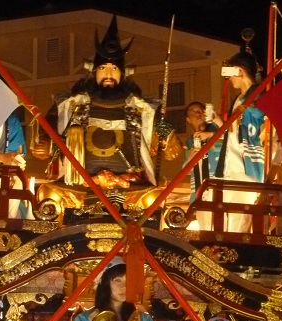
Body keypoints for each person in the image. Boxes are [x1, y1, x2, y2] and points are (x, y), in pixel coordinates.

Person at [34, 15, 181, 192]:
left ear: (123, 73)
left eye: (114, 69)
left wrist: (165, 132)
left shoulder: (143, 109)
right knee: (48, 193)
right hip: (79, 186)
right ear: (94, 71)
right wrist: (46, 145)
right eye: (103, 68)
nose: (108, 74)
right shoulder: (70, 105)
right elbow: (48, 136)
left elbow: (171, 152)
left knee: (152, 198)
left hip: (130, 186)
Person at [68, 257, 161, 321]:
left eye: (128, 281)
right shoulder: (84, 320)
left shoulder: (143, 319)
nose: (124, 287)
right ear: (104, 282)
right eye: (118, 280)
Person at [216, 49, 266, 232]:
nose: (230, 79)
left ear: (239, 70)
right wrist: (219, 123)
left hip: (247, 163)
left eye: (231, 73)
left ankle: (236, 247)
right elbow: (234, 130)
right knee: (226, 216)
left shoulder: (258, 95)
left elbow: (263, 123)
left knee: (240, 220)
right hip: (232, 162)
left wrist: (248, 110)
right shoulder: (239, 99)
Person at [183, 101, 224, 230]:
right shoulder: (190, 142)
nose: (198, 114)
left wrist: (211, 135)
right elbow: (185, 170)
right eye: (193, 112)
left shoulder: (219, 131)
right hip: (199, 191)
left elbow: (231, 140)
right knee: (205, 229)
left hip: (219, 187)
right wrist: (189, 159)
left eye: (200, 111)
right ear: (188, 119)